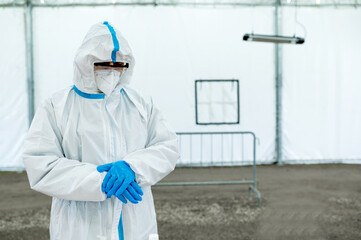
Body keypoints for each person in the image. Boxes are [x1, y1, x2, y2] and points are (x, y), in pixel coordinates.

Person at [22, 21, 179, 240]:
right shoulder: (56, 106)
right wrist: (99, 180)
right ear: (86, 63)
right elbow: (41, 164)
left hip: (135, 218)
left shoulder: (141, 104)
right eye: (104, 64)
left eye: (119, 65)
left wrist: (132, 167)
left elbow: (167, 146)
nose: (112, 71)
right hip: (79, 223)